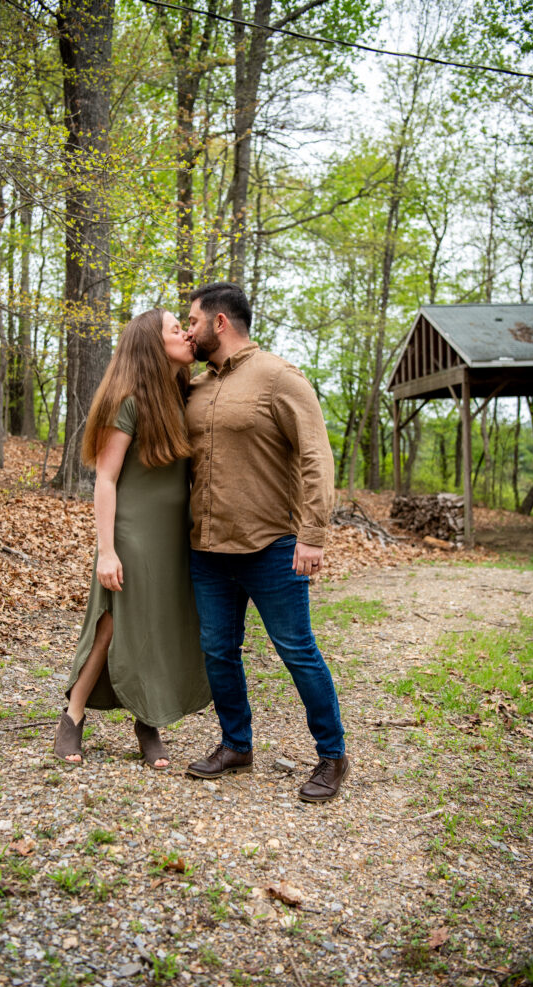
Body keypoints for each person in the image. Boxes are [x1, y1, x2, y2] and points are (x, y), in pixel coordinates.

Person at [184, 282, 349, 802]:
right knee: (218, 651)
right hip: (207, 549)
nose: (188, 330)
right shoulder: (196, 386)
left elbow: (316, 457)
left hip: (272, 546)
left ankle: (332, 756)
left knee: (297, 651)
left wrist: (313, 534)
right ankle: (237, 745)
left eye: (192, 321)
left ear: (219, 323)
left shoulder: (279, 377)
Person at [53, 309, 211, 770]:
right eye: (174, 328)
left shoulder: (184, 392)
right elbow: (105, 479)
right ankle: (73, 714)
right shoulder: (126, 399)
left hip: (174, 538)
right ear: (150, 344)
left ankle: (148, 719)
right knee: (113, 625)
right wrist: (107, 550)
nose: (184, 332)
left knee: (158, 626)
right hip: (132, 534)